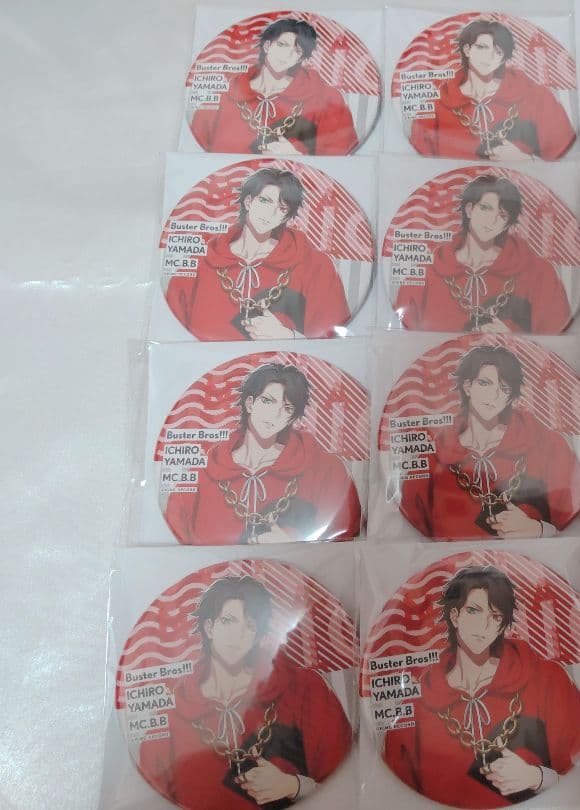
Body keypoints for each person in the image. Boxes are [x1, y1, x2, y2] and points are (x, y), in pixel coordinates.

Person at [382, 566, 580, 808]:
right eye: (473, 611)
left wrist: (536, 778)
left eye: (496, 616)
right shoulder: (414, 704)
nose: (484, 625)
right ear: (455, 615)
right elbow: (395, 792)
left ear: (504, 625)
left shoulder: (549, 681)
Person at [138, 576, 353, 809]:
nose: (237, 635)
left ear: (260, 634)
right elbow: (149, 796)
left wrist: (294, 786)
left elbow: (348, 788)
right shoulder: (170, 710)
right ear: (209, 628)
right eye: (228, 621)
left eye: (250, 625)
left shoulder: (307, 689)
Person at [397, 345, 580, 540]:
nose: (493, 395)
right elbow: (411, 523)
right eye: (485, 383)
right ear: (467, 386)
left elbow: (573, 520)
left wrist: (539, 530)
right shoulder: (432, 456)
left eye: (504, 388)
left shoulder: (548, 445)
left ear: (510, 397)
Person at [164, 363, 363, 544]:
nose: (274, 415)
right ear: (250, 403)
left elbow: (346, 538)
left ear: (292, 418)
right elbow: (173, 533)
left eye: (287, 408)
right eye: (267, 401)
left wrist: (292, 543)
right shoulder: (200, 475)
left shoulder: (327, 470)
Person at [165, 167, 352, 340]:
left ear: (286, 217)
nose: (270, 213)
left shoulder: (317, 266)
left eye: (282, 208)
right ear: (248, 202)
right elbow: (169, 332)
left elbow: (335, 342)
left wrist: (289, 337)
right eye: (265, 201)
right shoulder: (197, 265)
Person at [394, 175, 572, 333]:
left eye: (502, 215)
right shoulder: (424, 274)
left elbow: (554, 335)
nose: (492, 221)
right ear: (469, 209)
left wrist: (514, 338)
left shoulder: (540, 274)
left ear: (508, 224)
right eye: (485, 208)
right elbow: (405, 333)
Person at [409, 19, 576, 160]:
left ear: (504, 58)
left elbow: (563, 157)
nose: (489, 57)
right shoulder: (435, 105)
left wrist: (526, 160)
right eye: (482, 47)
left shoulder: (538, 97)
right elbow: (420, 162)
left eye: (498, 52)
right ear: (467, 50)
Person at [190, 18, 360, 155]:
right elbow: (194, 152)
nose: (286, 55)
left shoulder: (327, 99)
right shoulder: (222, 96)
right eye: (282, 44)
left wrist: (296, 157)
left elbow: (342, 162)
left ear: (301, 59)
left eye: (297, 51)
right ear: (267, 46)